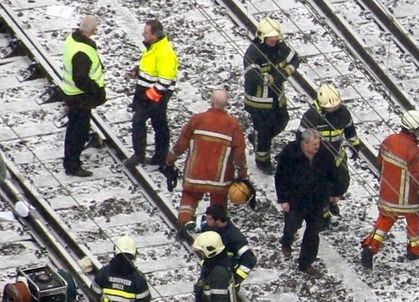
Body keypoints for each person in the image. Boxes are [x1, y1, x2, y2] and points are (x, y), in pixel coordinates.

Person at [165, 89, 248, 229]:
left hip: (195, 173)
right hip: (220, 178)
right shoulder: (232, 125)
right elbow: (239, 153)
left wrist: (170, 159)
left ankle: (184, 223)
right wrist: (242, 173)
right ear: (226, 104)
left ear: (211, 102)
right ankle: (216, 228)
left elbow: (181, 144)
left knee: (189, 197)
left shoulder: (197, 120)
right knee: (218, 204)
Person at [360, 110, 419, 269]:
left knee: (384, 221)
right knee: (414, 219)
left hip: (388, 193)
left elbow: (380, 162)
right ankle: (415, 250)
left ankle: (370, 247)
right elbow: (418, 178)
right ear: (415, 129)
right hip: (408, 198)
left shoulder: (389, 140)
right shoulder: (415, 151)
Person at [182, 204, 256, 302]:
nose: (206, 221)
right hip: (208, 273)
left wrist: (236, 279)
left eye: (209, 219)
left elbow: (250, 259)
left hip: (224, 279)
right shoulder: (211, 226)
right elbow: (198, 225)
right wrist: (186, 227)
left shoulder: (234, 237)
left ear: (218, 220)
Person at [274, 128, 337, 275]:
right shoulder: (290, 154)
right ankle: (287, 241)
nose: (317, 146)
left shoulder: (325, 155)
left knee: (313, 233)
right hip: (295, 200)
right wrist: (283, 200)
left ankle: (305, 263)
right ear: (304, 143)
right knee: (292, 225)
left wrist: (335, 193)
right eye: (314, 144)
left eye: (318, 143)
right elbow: (280, 178)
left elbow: (333, 174)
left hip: (316, 201)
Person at [243, 17, 301, 173]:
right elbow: (252, 76)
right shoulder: (254, 52)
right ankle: (263, 162)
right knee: (264, 132)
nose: (274, 41)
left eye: (276, 37)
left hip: (276, 98)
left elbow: (295, 59)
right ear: (262, 37)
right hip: (259, 102)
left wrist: (284, 73)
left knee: (282, 121)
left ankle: (257, 139)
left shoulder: (281, 48)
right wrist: (268, 79)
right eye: (271, 38)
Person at [298, 83, 362, 220]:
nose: (333, 109)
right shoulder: (312, 116)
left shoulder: (343, 113)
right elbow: (300, 137)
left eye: (335, 106)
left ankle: (332, 201)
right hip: (318, 160)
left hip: (337, 157)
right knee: (321, 188)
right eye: (329, 107)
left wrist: (355, 145)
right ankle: (323, 213)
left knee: (342, 182)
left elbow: (350, 130)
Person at [126, 19, 179, 168]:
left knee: (138, 121)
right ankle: (160, 156)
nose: (143, 34)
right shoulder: (154, 47)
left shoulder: (164, 53)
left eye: (146, 32)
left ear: (155, 35)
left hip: (155, 95)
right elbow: (152, 69)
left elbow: (165, 81)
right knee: (159, 122)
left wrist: (148, 97)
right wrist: (138, 71)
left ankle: (139, 155)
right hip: (149, 93)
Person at [61, 15, 106, 178]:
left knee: (73, 129)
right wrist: (96, 91)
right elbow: (80, 78)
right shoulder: (81, 52)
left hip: (72, 94)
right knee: (79, 132)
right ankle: (72, 165)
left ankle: (70, 161)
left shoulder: (72, 39)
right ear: (92, 30)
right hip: (80, 97)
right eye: (95, 28)